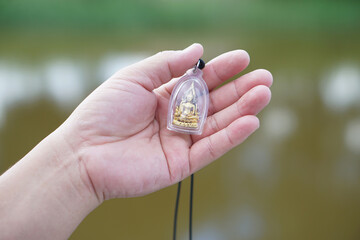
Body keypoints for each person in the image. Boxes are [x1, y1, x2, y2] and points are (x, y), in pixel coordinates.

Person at [0, 43, 272, 239]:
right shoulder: (190, 88)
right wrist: (79, 166)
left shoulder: (191, 88)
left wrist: (78, 167)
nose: (189, 101)